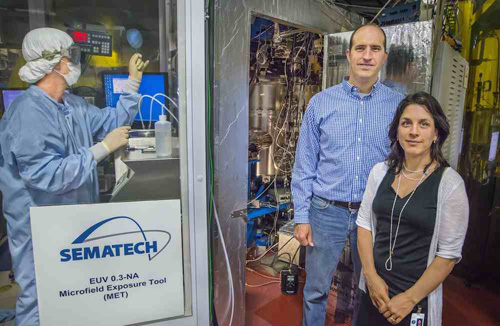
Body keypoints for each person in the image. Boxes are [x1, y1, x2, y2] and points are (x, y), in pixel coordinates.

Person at [0, 27, 149, 326]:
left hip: (73, 221)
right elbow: (47, 175)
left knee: (73, 295)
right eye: (72, 56)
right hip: (39, 227)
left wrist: (132, 83)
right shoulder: (26, 112)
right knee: (41, 297)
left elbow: (111, 121)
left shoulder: (72, 105)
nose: (76, 63)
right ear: (54, 62)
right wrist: (102, 149)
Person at [291, 23, 404, 326]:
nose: (367, 56)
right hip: (326, 211)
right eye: (360, 48)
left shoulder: (396, 107)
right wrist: (301, 216)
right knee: (315, 289)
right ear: (349, 54)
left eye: (375, 49)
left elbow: (403, 163)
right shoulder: (321, 103)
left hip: (373, 213)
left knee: (367, 290)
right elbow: (304, 164)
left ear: (384, 56)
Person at [356, 92, 469, 326]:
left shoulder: (449, 184)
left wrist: (409, 299)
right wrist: (370, 276)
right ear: (397, 130)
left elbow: (448, 255)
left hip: (414, 302)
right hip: (374, 291)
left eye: (424, 124)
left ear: (436, 133)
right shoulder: (380, 172)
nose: (413, 131)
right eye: (406, 123)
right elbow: (364, 224)